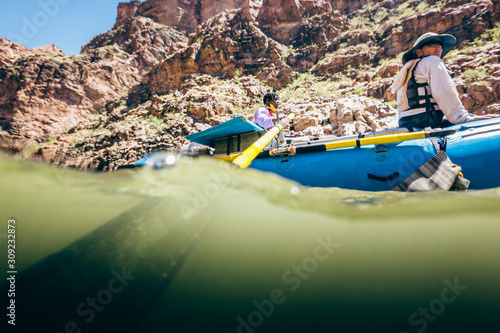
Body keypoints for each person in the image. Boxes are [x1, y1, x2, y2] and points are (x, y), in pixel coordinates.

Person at [391, 32, 498, 129]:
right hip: (427, 122)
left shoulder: (410, 68)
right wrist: (462, 118)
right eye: (432, 44)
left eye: (440, 44)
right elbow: (443, 92)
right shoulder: (431, 61)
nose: (438, 46)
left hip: (407, 123)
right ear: (419, 52)